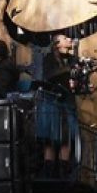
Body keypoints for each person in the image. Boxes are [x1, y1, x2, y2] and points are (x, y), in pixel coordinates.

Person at [37, 34, 79, 179]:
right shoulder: (49, 59)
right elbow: (49, 76)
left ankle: (63, 172)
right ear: (57, 44)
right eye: (65, 39)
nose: (69, 40)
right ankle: (49, 173)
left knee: (66, 139)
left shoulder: (71, 59)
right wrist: (67, 68)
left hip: (66, 103)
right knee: (50, 140)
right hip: (52, 103)